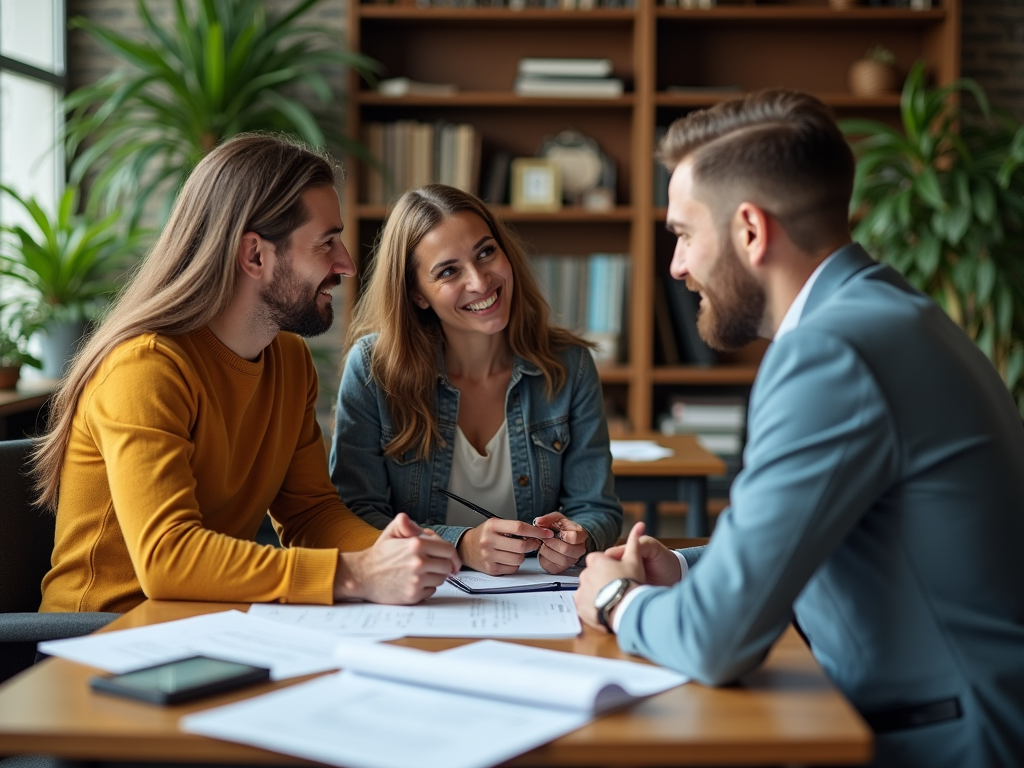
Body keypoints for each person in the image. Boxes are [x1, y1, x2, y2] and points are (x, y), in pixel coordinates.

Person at [574, 90, 1024, 767]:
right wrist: (686, 567)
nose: (677, 267)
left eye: (684, 234)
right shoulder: (884, 310)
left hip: (945, 742)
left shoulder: (829, 353)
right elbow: (816, 535)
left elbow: (716, 643)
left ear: (750, 231)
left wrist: (612, 598)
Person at [34, 135, 461, 615]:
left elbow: (310, 513)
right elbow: (167, 560)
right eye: (326, 242)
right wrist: (358, 574)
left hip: (208, 625)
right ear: (254, 255)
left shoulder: (290, 362)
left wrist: (394, 550)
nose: (345, 264)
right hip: (101, 641)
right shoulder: (145, 368)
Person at [331, 184, 622, 576]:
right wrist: (460, 545)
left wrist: (580, 536)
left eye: (486, 252)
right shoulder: (372, 369)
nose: (481, 281)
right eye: (448, 271)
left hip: (540, 595)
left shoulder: (570, 366)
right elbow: (353, 517)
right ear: (418, 294)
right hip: (424, 596)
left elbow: (596, 507)